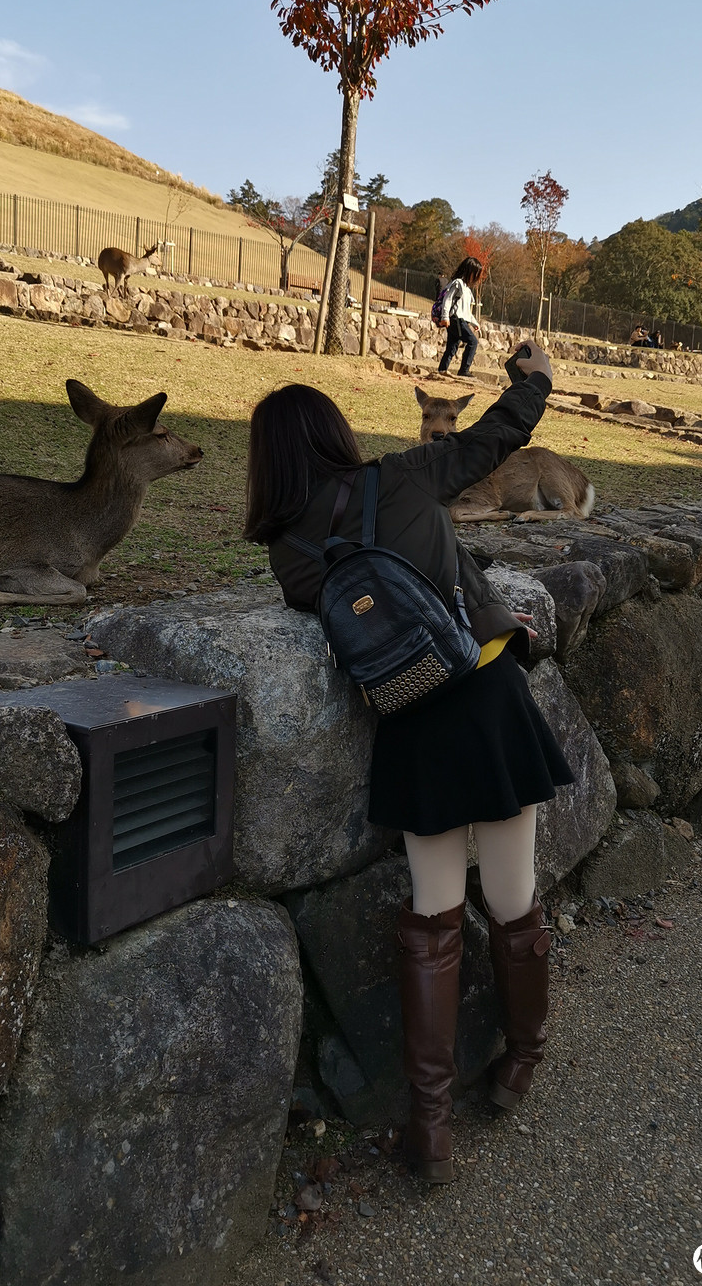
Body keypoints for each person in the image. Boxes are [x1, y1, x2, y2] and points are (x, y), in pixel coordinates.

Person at [244, 342, 575, 1185]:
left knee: (432, 914)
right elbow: (496, 439)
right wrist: (533, 379)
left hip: (410, 722)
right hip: (486, 697)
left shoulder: (287, 553)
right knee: (512, 899)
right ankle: (521, 1062)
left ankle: (430, 1129)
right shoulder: (401, 478)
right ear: (332, 434)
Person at [437, 256, 484, 377]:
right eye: (476, 274)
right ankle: (464, 370)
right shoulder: (457, 283)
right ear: (469, 272)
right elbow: (447, 300)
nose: (477, 277)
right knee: (472, 342)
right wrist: (445, 317)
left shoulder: (467, 289)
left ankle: (442, 370)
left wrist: (474, 323)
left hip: (460, 319)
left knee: (452, 347)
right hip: (455, 319)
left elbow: (466, 310)